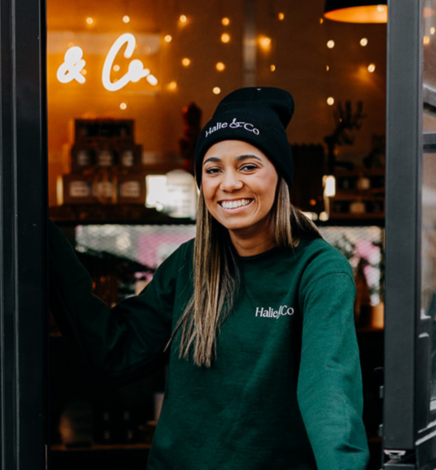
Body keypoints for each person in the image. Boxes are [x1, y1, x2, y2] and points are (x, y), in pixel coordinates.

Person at [48, 87, 370, 469]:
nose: (229, 184)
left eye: (248, 166)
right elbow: (114, 354)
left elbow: (328, 389)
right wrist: (42, 236)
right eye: (213, 169)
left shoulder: (318, 270)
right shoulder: (190, 263)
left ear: (279, 176)